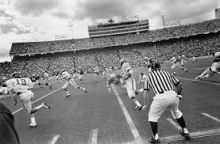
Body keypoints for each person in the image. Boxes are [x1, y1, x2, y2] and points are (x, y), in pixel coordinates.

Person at [143, 61, 190, 143]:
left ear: (152, 68)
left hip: (160, 97)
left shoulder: (148, 76)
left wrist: (145, 104)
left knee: (152, 116)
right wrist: (178, 94)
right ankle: (185, 131)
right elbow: (179, 84)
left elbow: (146, 91)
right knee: (176, 112)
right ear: (160, 67)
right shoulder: (167, 73)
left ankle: (156, 138)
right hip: (173, 94)